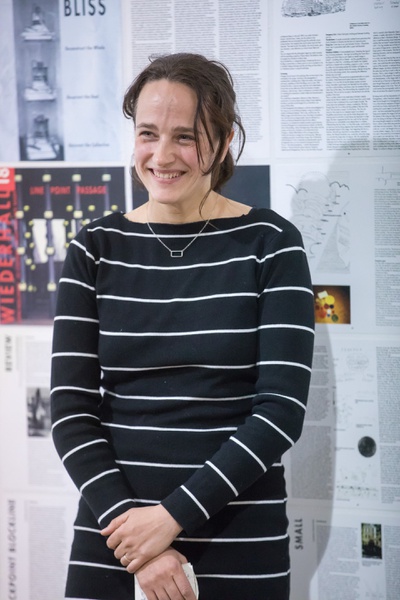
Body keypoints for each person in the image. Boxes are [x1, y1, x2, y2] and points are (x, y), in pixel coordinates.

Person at [51, 52, 315, 600]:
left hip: (238, 536)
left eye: (186, 137)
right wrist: (139, 541)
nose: (162, 155)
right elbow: (71, 413)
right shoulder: (95, 248)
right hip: (116, 537)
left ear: (223, 141)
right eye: (148, 133)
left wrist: (170, 518)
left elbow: (281, 412)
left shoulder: (271, 244)